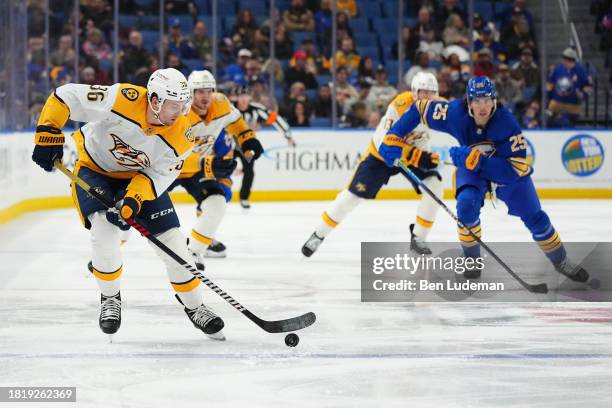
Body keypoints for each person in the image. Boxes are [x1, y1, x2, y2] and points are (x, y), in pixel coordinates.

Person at [30, 68, 226, 340]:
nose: (181, 113)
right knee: (104, 233)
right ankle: (110, 298)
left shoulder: (183, 135)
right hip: (94, 169)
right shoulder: (122, 98)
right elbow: (66, 96)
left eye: (184, 106)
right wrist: (48, 131)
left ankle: (195, 307)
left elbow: (158, 174)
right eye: (174, 106)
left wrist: (132, 199)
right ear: (155, 101)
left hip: (140, 179)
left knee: (174, 244)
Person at [382, 76, 589, 282]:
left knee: (536, 219)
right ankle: (472, 260)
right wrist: (394, 135)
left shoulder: (507, 122)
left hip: (504, 168)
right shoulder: (454, 113)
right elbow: (420, 108)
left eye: (488, 100)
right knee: (466, 205)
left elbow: (514, 169)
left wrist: (479, 162)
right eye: (477, 101)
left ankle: (560, 260)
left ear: (495, 101)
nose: (483, 107)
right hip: (473, 168)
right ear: (469, 102)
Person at [301, 72, 443, 257]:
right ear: (414, 92)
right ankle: (318, 235)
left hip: (412, 156)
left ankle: (419, 237)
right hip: (380, 156)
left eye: (431, 93)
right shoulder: (401, 106)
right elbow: (385, 144)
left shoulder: (441, 108)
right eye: (423, 92)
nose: (427, 97)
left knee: (434, 187)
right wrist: (416, 156)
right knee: (351, 197)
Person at [168, 71, 264, 261]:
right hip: (168, 169)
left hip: (195, 170)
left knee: (217, 202)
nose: (205, 97)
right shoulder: (179, 114)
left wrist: (247, 138)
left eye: (208, 91)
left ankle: (194, 252)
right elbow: (172, 155)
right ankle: (108, 252)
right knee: (133, 209)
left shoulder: (220, 103)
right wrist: (206, 163)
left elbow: (236, 122)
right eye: (199, 92)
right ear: (189, 93)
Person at [233, 86, 294, 209]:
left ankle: (244, 198)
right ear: (236, 98)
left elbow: (274, 119)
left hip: (246, 147)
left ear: (250, 97)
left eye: (246, 96)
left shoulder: (256, 109)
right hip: (230, 145)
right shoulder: (230, 108)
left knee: (249, 172)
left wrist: (287, 135)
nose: (244, 99)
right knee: (219, 167)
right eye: (241, 96)